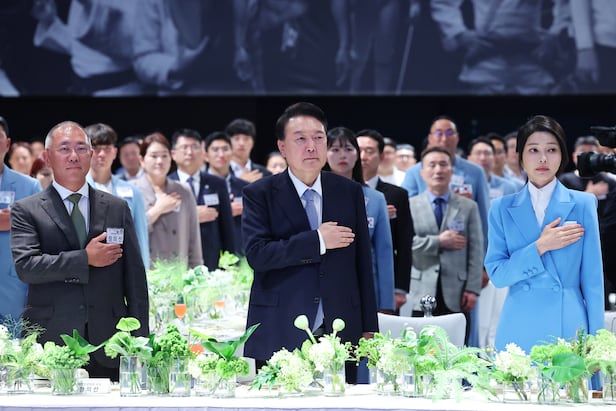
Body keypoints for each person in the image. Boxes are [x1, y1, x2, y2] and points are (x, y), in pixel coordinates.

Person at [241, 102, 377, 383]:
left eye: (318, 137)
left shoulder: (349, 191)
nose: (311, 147)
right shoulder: (260, 193)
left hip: (340, 326)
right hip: (280, 326)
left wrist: (369, 326)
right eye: (300, 139)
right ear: (282, 147)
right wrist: (317, 240)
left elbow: (363, 261)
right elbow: (258, 254)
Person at [10, 121, 149, 379]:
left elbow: (135, 280)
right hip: (51, 343)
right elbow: (27, 267)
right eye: (64, 149)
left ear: (91, 155)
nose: (74, 156)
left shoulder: (117, 207)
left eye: (81, 148)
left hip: (111, 341)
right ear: (47, 157)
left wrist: (141, 341)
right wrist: (85, 258)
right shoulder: (26, 210)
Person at [484, 115, 604, 353]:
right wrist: (540, 246)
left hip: (568, 325)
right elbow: (497, 275)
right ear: (520, 156)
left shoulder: (583, 203)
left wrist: (596, 341)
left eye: (551, 150)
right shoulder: (501, 208)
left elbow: (593, 282)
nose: (542, 158)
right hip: (518, 326)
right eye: (533, 150)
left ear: (562, 155)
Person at [409, 147, 483, 343]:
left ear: (452, 171)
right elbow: (407, 245)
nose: (438, 170)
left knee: (456, 348)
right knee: (421, 349)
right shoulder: (410, 205)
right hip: (422, 289)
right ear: (422, 172)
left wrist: (473, 288)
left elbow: (476, 250)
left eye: (443, 164)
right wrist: (439, 241)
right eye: (432, 165)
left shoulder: (468, 206)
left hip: (458, 292)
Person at [325, 126, 395, 313]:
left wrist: (386, 303)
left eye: (348, 149)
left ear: (357, 155)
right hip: (322, 290)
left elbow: (384, 252)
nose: (342, 155)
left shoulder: (376, 198)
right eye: (335, 149)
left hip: (364, 288)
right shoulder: (314, 196)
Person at [466, 136, 517, 348]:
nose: (483, 157)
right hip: (473, 261)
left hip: (503, 258)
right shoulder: (462, 187)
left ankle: (496, 360)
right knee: (478, 322)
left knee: (498, 317)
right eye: (478, 153)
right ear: (469, 157)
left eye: (488, 153)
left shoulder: (509, 187)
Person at [31, 0, 143, 96]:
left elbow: (135, 48)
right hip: (80, 88)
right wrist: (49, 21)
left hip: (117, 91)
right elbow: (79, 48)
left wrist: (90, 5)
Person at [356, 129, 413, 313]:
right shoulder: (340, 192)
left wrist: (400, 288)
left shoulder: (397, 195)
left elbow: (404, 245)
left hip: (384, 279)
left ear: (381, 156)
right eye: (358, 150)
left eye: (369, 151)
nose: (363, 156)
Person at [559, 135, 616, 309]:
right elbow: (561, 213)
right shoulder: (564, 181)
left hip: (603, 246)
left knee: (600, 292)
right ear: (574, 155)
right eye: (583, 153)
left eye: (592, 153)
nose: (588, 158)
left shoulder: (610, 182)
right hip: (571, 246)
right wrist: (589, 195)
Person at [132, 132, 202, 269]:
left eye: (164, 156)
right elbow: (128, 233)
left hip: (178, 271)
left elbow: (193, 236)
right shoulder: (132, 191)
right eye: (154, 156)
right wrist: (157, 210)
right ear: (142, 160)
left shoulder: (183, 190)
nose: (160, 161)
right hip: (146, 270)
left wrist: (197, 270)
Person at [84, 123, 150, 270]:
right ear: (87, 152)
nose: (101, 154)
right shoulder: (77, 190)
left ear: (114, 152)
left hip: (122, 267)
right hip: (89, 268)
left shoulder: (132, 191)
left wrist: (143, 273)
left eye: (107, 149)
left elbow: (140, 237)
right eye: (96, 149)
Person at [169, 128, 236, 270]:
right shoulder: (167, 185)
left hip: (211, 261)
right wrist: (193, 215)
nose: (190, 152)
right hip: (175, 260)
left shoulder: (217, 183)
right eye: (184, 147)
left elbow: (227, 228)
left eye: (195, 147)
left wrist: (230, 265)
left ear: (203, 152)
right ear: (173, 154)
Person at [0, 116, 41, 323]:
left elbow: (43, 232)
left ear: (7, 144)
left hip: (15, 287)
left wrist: (15, 221)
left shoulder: (30, 186)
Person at [203, 131, 249, 256]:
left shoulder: (245, 187)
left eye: (225, 149)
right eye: (215, 150)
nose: (221, 154)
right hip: (208, 251)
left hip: (240, 251)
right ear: (206, 155)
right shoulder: (198, 186)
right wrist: (226, 210)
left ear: (232, 153)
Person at [225, 118, 272, 183]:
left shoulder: (265, 174)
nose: (241, 143)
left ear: (253, 143)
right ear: (228, 142)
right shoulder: (220, 172)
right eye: (236, 139)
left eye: (246, 139)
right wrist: (240, 182)